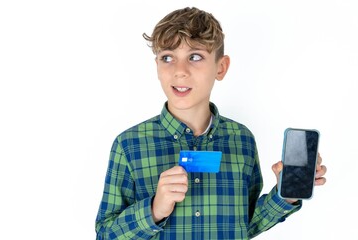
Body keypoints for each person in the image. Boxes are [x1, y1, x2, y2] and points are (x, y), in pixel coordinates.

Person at [95, 7, 327, 239]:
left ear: (221, 67)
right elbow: (104, 234)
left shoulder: (242, 139)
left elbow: (247, 225)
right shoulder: (129, 145)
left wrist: (284, 194)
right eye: (167, 58)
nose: (180, 71)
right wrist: (154, 210)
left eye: (195, 57)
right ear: (157, 66)